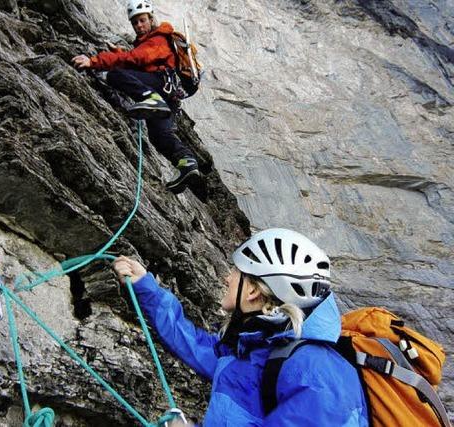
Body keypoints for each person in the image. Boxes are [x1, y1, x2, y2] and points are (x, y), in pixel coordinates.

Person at [113, 228, 369, 426]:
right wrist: (145, 286)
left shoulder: (316, 372)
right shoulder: (253, 347)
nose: (227, 277)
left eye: (236, 271)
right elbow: (195, 345)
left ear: (253, 291)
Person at [72, 0, 200, 194]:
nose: (139, 26)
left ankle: (150, 98)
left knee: (115, 75)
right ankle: (186, 162)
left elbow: (136, 59)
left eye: (142, 20)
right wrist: (121, 53)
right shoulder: (155, 42)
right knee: (159, 135)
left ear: (151, 19)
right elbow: (142, 62)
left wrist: (94, 61)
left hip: (159, 86)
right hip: (170, 96)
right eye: (135, 23)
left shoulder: (159, 37)